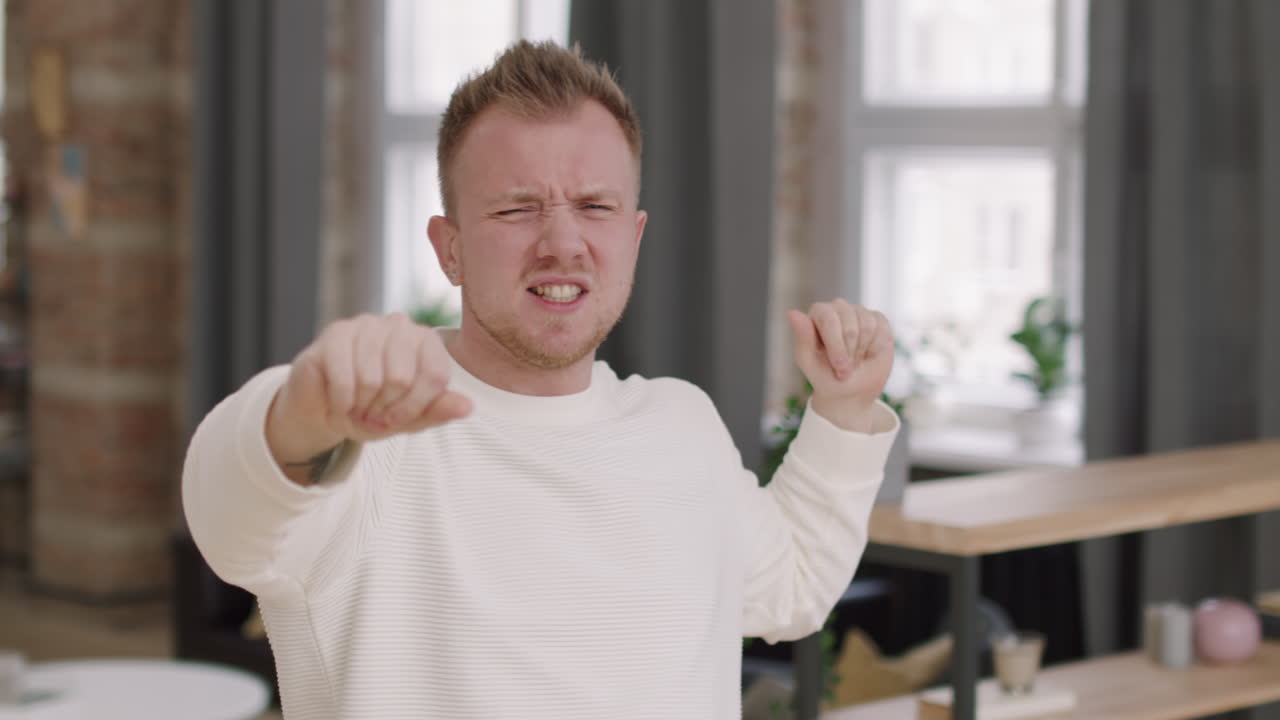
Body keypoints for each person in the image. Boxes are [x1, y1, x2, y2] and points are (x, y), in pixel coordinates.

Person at [183, 40, 898, 720]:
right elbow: (229, 521)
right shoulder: (375, 440)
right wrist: (301, 415)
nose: (563, 244)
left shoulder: (683, 426)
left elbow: (792, 588)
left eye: (595, 207)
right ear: (450, 248)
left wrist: (843, 410)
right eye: (516, 209)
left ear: (634, 237)